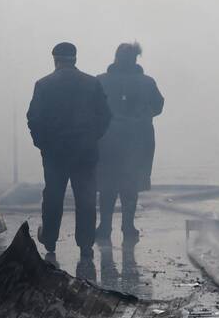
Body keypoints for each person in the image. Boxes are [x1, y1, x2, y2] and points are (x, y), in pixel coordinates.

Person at [27, 42, 111, 256]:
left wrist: (42, 144)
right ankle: (85, 244)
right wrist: (93, 137)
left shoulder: (44, 85)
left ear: (55, 59)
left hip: (55, 152)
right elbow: (105, 115)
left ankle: (50, 240)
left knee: (54, 196)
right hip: (85, 151)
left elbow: (34, 118)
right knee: (86, 196)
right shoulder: (92, 83)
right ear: (75, 59)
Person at [96, 42, 164, 244]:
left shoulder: (101, 81)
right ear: (135, 60)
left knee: (107, 184)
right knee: (130, 183)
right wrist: (142, 117)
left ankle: (105, 226)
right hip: (138, 140)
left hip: (108, 141)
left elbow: (92, 107)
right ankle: (128, 226)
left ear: (116, 58)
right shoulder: (147, 82)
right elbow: (158, 106)